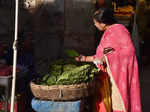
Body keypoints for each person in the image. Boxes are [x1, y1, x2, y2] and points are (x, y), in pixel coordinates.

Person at [75, 8, 142, 112]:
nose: (95, 25)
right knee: (118, 99)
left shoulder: (115, 33)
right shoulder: (115, 31)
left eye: (95, 23)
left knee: (118, 101)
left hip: (118, 75)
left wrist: (105, 58)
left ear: (103, 23)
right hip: (118, 73)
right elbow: (106, 54)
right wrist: (84, 58)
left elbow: (125, 53)